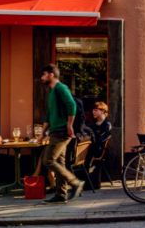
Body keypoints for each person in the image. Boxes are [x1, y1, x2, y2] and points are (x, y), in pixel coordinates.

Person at [35, 64, 86, 204]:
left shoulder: (61, 88)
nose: (41, 77)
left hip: (62, 131)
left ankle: (75, 183)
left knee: (48, 160)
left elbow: (72, 105)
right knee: (58, 162)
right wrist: (42, 134)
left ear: (51, 75)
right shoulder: (52, 92)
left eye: (44, 74)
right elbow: (48, 115)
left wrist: (69, 126)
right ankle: (61, 194)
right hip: (55, 132)